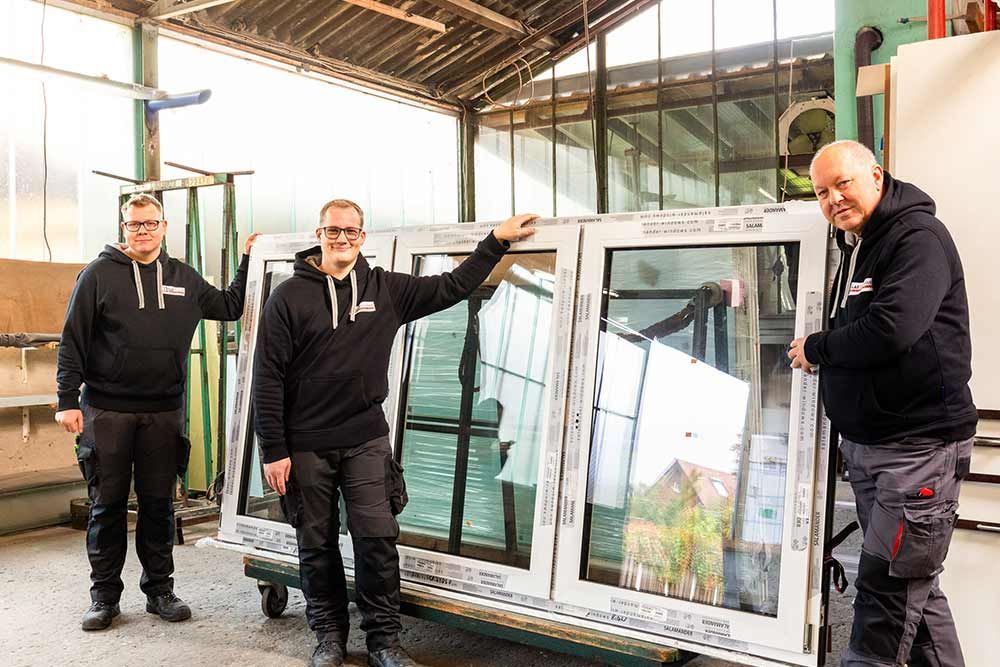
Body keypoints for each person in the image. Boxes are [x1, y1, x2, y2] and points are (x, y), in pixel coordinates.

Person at [252, 199, 537, 667]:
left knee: (376, 539)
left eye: (350, 232)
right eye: (332, 231)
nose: (342, 239)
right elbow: (267, 377)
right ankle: (328, 638)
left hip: (365, 437)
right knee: (315, 542)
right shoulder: (287, 297)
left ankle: (384, 641)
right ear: (318, 234)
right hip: (304, 445)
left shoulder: (385, 289)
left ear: (363, 237)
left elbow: (452, 286)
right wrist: (274, 450)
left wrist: (496, 242)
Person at [788, 140, 976, 667]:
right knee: (916, 594)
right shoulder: (863, 244)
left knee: (885, 601)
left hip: (917, 451)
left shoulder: (917, 238)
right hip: (875, 449)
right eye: (822, 192)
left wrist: (817, 347)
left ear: (875, 174)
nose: (833, 199)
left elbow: (891, 329)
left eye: (841, 184)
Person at [55, 193, 259, 631]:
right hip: (106, 410)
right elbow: (72, 338)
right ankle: (104, 597)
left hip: (164, 411)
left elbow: (228, 306)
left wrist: (247, 260)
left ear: (164, 227)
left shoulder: (184, 277)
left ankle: (160, 590)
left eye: (150, 223)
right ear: (123, 229)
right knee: (106, 506)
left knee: (158, 505)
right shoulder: (97, 276)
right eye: (134, 224)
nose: (143, 231)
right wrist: (67, 401)